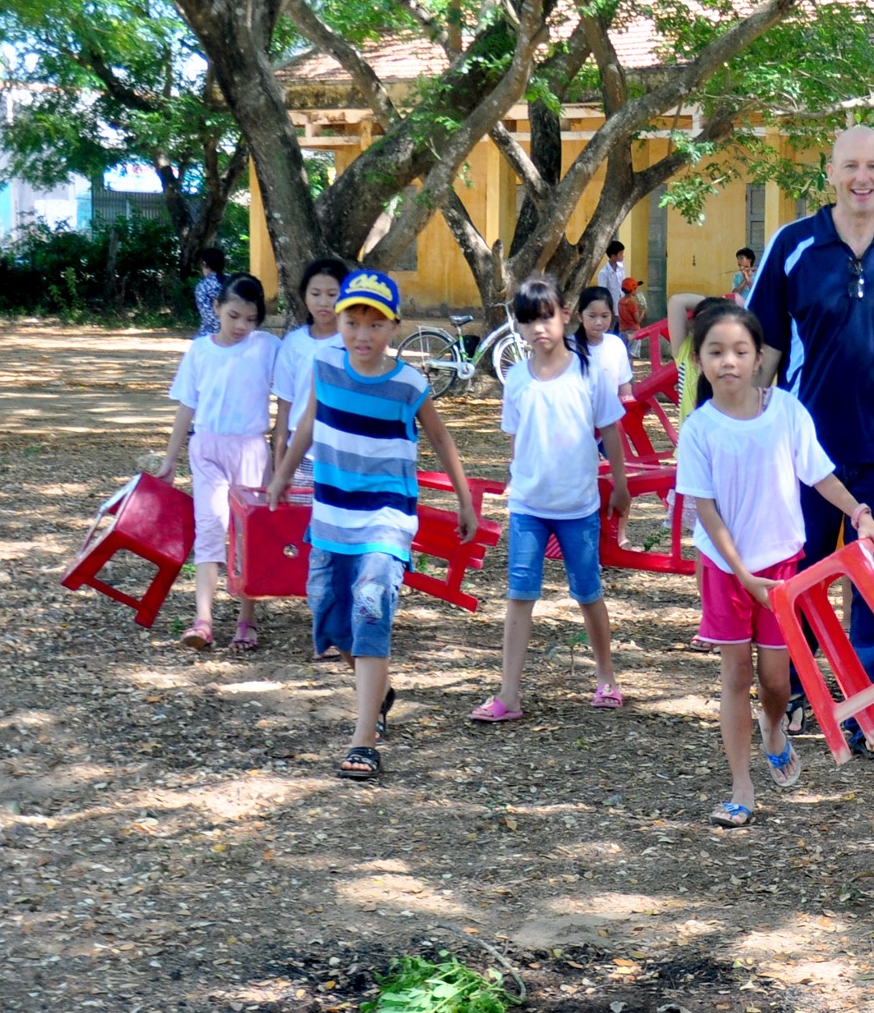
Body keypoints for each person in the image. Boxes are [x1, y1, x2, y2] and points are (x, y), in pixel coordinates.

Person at [746, 124, 874, 754]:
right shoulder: (793, 247)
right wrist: (746, 432)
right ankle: (802, 695)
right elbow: (765, 351)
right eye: (850, 166)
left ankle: (871, 710)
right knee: (801, 570)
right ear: (830, 172)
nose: (862, 178)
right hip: (803, 448)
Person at [674, 300, 874, 828]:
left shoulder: (788, 412)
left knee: (775, 681)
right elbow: (707, 509)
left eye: (740, 351)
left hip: (783, 568)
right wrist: (743, 574)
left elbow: (820, 475)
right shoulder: (699, 430)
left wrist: (860, 513)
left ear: (757, 358)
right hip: (727, 570)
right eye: (715, 351)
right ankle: (742, 787)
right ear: (699, 359)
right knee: (735, 674)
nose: (728, 361)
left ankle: (774, 728)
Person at [269, 269, 479, 780]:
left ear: (394, 327)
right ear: (339, 322)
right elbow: (306, 425)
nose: (363, 334)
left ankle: (364, 739)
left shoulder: (408, 384)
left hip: (385, 518)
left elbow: (442, 440)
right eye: (353, 321)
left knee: (370, 608)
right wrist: (280, 476)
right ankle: (378, 692)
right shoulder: (324, 367)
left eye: (375, 323)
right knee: (330, 617)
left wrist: (465, 502)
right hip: (331, 517)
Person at [468, 275, 631, 724]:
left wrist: (620, 485)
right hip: (527, 506)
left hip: (579, 506)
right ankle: (508, 694)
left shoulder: (589, 371)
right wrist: (515, 484)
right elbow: (517, 439)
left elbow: (611, 430)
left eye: (546, 317)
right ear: (518, 327)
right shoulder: (517, 378)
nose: (538, 329)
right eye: (527, 321)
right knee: (519, 594)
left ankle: (607, 678)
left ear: (563, 315)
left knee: (587, 591)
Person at [157, 272, 279, 653]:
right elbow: (186, 407)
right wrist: (170, 458)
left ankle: (247, 620)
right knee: (210, 527)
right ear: (215, 309)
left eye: (250, 318)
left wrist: (283, 456)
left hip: (251, 448)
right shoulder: (199, 351)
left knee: (249, 535)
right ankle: (203, 620)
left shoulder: (268, 347)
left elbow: (293, 394)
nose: (242, 325)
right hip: (207, 448)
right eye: (233, 316)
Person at [270, 257, 350, 489]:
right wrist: (280, 466)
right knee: (299, 524)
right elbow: (284, 408)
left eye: (332, 294)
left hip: (346, 457)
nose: (323, 302)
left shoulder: (355, 344)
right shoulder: (293, 344)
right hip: (302, 457)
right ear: (304, 295)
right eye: (315, 294)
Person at [575, 286, 635, 406]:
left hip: (609, 420)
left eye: (604, 316)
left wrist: (631, 410)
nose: (598, 322)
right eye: (592, 316)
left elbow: (624, 385)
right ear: (580, 316)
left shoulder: (616, 344)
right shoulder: (568, 347)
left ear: (612, 316)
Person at [193, 247, 227, 339]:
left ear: (204, 264)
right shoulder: (233, 282)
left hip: (209, 337)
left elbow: (208, 316)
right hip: (234, 336)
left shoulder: (203, 286)